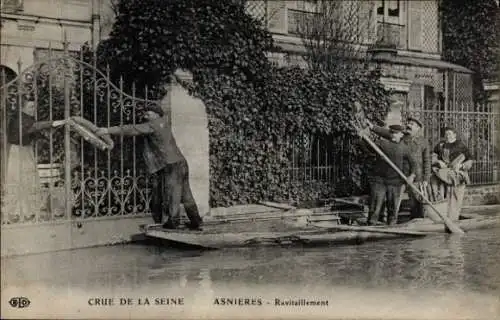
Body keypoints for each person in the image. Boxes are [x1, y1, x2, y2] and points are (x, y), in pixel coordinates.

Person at [94, 105, 203, 230]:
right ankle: (196, 221)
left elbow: (132, 129)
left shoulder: (154, 124)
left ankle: (173, 222)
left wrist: (107, 130)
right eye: (145, 113)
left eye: (148, 113)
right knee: (186, 194)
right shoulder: (163, 123)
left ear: (157, 114)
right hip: (181, 162)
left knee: (173, 194)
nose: (145, 115)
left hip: (171, 164)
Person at [1, 100, 67, 223]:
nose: (33, 109)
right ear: (23, 108)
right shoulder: (18, 119)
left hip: (26, 150)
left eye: (34, 107)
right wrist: (53, 123)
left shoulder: (28, 119)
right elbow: (34, 127)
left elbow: (35, 132)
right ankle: (15, 211)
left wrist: (49, 132)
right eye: (31, 107)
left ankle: (28, 211)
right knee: (18, 179)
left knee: (29, 178)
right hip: (18, 152)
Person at [366, 117, 431, 220]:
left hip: (416, 176)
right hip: (400, 174)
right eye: (409, 123)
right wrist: (373, 127)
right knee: (396, 201)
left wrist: (426, 179)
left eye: (412, 124)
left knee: (416, 203)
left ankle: (416, 222)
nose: (409, 125)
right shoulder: (401, 137)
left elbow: (427, 161)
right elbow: (387, 132)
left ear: (418, 128)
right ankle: (393, 221)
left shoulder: (424, 142)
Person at [362, 124, 419, 226]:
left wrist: (412, 175)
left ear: (401, 135)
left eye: (396, 133)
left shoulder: (404, 148)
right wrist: (362, 137)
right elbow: (367, 148)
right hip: (379, 180)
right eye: (391, 132)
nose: (393, 135)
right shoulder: (382, 143)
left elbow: (414, 163)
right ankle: (371, 226)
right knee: (375, 206)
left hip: (395, 182)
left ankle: (391, 227)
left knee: (392, 208)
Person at [430, 126, 473, 221]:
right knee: (443, 197)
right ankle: (443, 218)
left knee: (455, 198)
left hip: (456, 177)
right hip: (442, 175)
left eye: (449, 134)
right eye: (446, 134)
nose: (447, 136)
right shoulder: (440, 145)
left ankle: (453, 219)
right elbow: (433, 156)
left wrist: (461, 166)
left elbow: (469, 160)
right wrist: (438, 162)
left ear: (454, 135)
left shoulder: (461, 145)